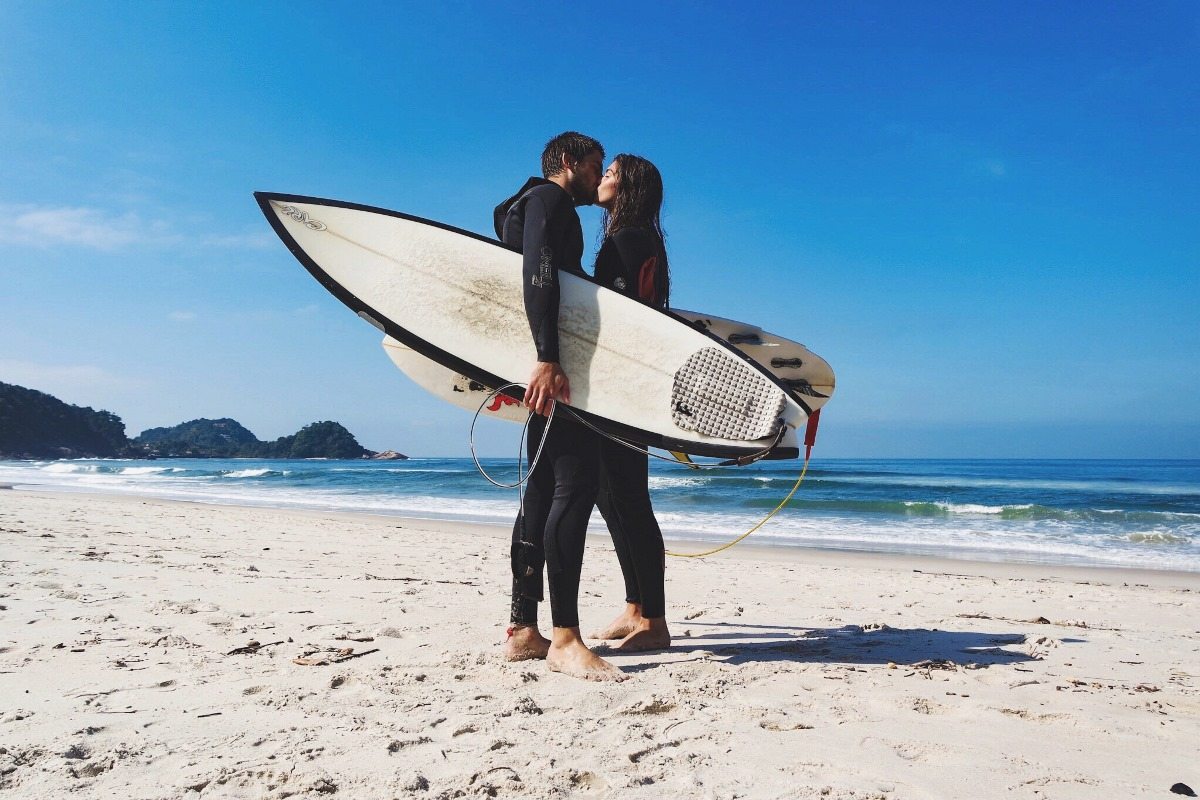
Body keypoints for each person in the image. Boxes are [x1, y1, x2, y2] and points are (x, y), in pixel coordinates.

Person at [494, 131, 624, 681]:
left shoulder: (521, 205)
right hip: (559, 370)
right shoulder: (548, 202)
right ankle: (565, 638)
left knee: (542, 491)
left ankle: (524, 628)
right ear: (568, 162)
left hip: (543, 368)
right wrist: (549, 356)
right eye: (595, 164)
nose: (598, 176)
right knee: (575, 487)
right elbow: (540, 274)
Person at [587, 155, 673, 652]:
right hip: (628, 384)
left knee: (629, 499)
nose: (602, 179)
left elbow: (616, 318)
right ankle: (636, 607)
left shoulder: (627, 241)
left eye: (611, 172)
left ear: (630, 186)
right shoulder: (642, 239)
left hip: (622, 386)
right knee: (610, 493)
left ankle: (654, 622)